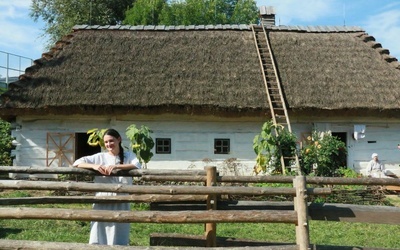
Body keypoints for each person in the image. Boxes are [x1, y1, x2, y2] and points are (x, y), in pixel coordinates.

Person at [73, 128, 141, 245]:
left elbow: (137, 165)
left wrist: (116, 167)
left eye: (111, 141)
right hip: (102, 199)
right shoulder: (100, 157)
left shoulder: (129, 155)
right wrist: (94, 166)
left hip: (122, 200)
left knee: (120, 228)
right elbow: (77, 162)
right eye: (106, 142)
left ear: (119, 139)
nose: (108, 144)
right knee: (100, 227)